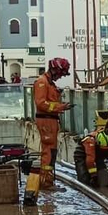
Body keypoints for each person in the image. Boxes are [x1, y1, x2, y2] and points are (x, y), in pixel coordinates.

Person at [31, 57, 73, 191]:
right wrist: (59, 107)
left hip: (50, 120)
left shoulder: (48, 83)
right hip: (46, 120)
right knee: (49, 151)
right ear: (55, 70)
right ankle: (46, 182)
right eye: (61, 73)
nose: (61, 77)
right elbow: (41, 103)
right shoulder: (42, 82)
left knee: (51, 151)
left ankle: (47, 180)